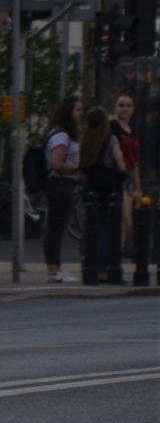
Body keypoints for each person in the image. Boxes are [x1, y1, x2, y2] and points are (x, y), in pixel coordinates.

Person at [80, 105, 128, 283]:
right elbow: (121, 166)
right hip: (109, 191)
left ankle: (89, 266)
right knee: (108, 229)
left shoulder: (86, 140)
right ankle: (103, 268)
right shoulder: (111, 141)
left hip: (91, 190)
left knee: (92, 228)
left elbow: (83, 167)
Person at [42, 96, 82, 284]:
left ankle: (55, 268)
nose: (80, 114)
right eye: (77, 110)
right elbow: (58, 164)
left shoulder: (62, 134)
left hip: (62, 185)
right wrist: (77, 168)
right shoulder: (61, 136)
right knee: (56, 228)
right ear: (68, 112)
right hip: (60, 184)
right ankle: (53, 269)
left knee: (57, 228)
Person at [110, 91, 143, 243]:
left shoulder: (134, 131)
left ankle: (115, 256)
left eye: (128, 106)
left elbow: (135, 161)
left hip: (128, 177)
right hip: (116, 176)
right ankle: (112, 258)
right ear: (115, 108)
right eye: (121, 105)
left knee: (126, 224)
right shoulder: (112, 128)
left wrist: (138, 187)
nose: (125, 109)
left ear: (133, 109)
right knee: (124, 220)